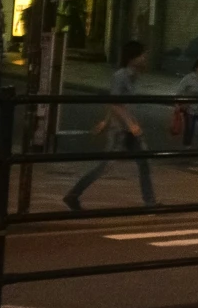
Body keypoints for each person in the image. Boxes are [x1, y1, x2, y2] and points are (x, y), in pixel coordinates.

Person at [66, 39, 157, 210]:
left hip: (130, 130)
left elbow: (116, 102)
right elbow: (115, 103)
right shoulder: (120, 76)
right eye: (142, 55)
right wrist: (128, 124)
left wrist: (106, 121)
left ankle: (150, 202)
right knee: (104, 166)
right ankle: (73, 194)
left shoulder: (133, 76)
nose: (145, 58)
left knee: (144, 163)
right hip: (121, 132)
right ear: (132, 57)